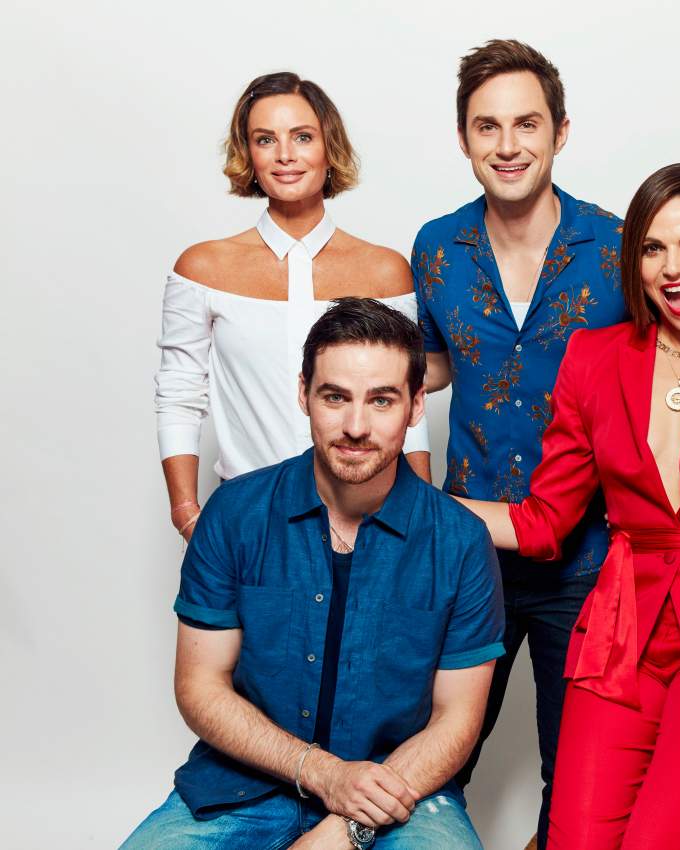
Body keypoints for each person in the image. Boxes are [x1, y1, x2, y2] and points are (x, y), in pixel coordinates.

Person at [456, 164, 680, 850]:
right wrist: (413, 504)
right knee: (574, 841)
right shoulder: (593, 358)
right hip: (619, 638)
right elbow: (543, 521)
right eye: (653, 248)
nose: (674, 267)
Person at [123, 299, 504, 850]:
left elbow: (457, 720)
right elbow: (199, 687)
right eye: (335, 397)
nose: (356, 426)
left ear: (417, 405)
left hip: (400, 790)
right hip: (242, 783)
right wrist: (322, 773)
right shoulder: (234, 514)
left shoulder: (461, 541)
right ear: (303, 394)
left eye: (382, 400)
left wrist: (349, 826)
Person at [411, 39, 627, 848]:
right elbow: (421, 372)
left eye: (526, 124)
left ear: (561, 131)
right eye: (487, 127)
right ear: (464, 139)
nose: (508, 146)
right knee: (434, 758)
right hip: (471, 558)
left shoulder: (617, 247)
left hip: (592, 558)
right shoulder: (436, 248)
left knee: (576, 777)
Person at [156, 71, 430, 541]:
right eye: (266, 139)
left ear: (329, 148)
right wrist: (187, 513)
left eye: (302, 137)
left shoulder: (385, 271)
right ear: (249, 154)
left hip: (371, 518)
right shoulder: (202, 268)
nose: (285, 155)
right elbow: (179, 396)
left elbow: (406, 400)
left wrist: (422, 521)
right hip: (248, 516)